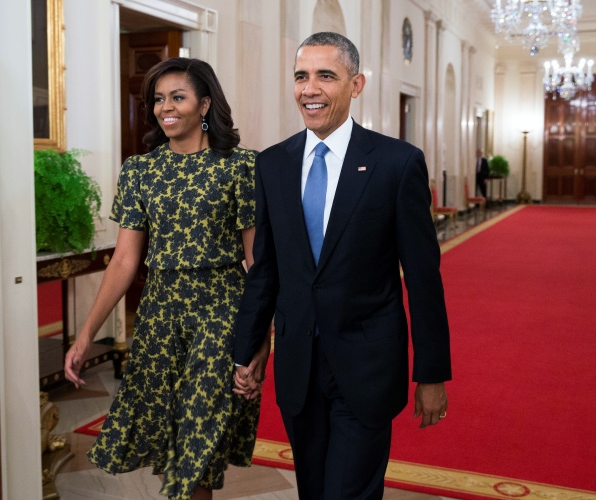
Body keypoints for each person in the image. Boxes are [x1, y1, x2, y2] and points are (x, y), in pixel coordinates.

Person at [232, 32, 452, 499]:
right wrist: (248, 348)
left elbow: (423, 278)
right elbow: (265, 267)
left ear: (356, 85)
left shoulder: (396, 163)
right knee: (313, 489)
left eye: (325, 76)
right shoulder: (272, 164)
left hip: (367, 367)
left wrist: (431, 372)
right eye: (301, 76)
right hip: (298, 368)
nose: (309, 89)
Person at [64, 57, 270, 500]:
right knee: (169, 441)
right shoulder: (140, 171)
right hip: (159, 318)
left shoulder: (241, 166)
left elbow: (258, 264)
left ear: (205, 104)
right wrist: (86, 335)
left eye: (177, 97)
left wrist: (261, 340)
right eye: (158, 99)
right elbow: (123, 262)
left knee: (198, 441)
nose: (165, 107)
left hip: (221, 314)